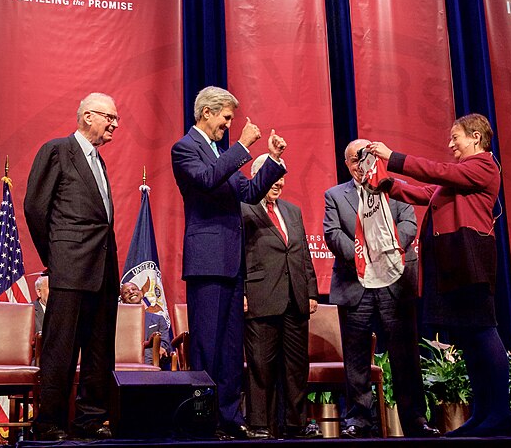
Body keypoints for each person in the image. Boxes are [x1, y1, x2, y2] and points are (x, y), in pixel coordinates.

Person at [365, 113, 511, 437]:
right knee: (468, 337)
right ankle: (482, 413)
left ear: (475, 138)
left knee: (483, 330)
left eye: (455, 138)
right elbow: (426, 192)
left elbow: (439, 172)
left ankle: (500, 412)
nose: (450, 145)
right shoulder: (459, 176)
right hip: (452, 262)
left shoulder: (485, 165)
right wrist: (389, 185)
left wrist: (394, 158)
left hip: (469, 257)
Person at [171, 86, 287, 440]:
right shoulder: (184, 149)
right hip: (207, 262)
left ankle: (228, 417)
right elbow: (207, 181)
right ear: (207, 112)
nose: (228, 124)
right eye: (226, 118)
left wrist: (271, 161)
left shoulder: (220, 151)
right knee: (207, 343)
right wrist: (242, 147)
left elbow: (249, 192)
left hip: (232, 263)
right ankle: (204, 420)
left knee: (231, 345)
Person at [324, 139, 439, 439]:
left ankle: (415, 420)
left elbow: (409, 224)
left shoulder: (395, 186)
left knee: (405, 356)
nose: (360, 164)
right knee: (357, 358)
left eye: (365, 157)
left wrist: (384, 252)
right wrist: (364, 255)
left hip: (394, 283)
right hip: (355, 284)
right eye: (354, 159)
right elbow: (333, 234)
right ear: (347, 164)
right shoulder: (335, 195)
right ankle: (359, 419)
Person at [24, 93, 120, 442]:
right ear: (87, 116)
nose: (114, 125)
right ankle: (48, 421)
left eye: (116, 119)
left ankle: (91, 419)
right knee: (60, 349)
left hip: (103, 270)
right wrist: (56, 256)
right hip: (69, 269)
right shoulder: (57, 150)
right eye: (109, 117)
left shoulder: (99, 161)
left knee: (99, 350)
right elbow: (35, 208)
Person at [241, 154, 321, 440]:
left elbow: (303, 255)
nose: (278, 181)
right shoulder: (244, 209)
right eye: (272, 175)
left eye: (282, 176)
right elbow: (237, 255)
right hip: (261, 296)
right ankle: (260, 424)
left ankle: (296, 423)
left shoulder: (292, 210)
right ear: (257, 177)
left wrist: (311, 290)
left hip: (295, 299)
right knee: (261, 366)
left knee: (296, 367)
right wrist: (243, 292)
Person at [119, 282, 171, 367]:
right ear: (123, 300)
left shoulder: (158, 319)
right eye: (126, 292)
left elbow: (165, 343)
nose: (131, 292)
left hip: (151, 360)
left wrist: (160, 348)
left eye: (134, 289)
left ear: (141, 293)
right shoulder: (119, 321)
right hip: (125, 361)